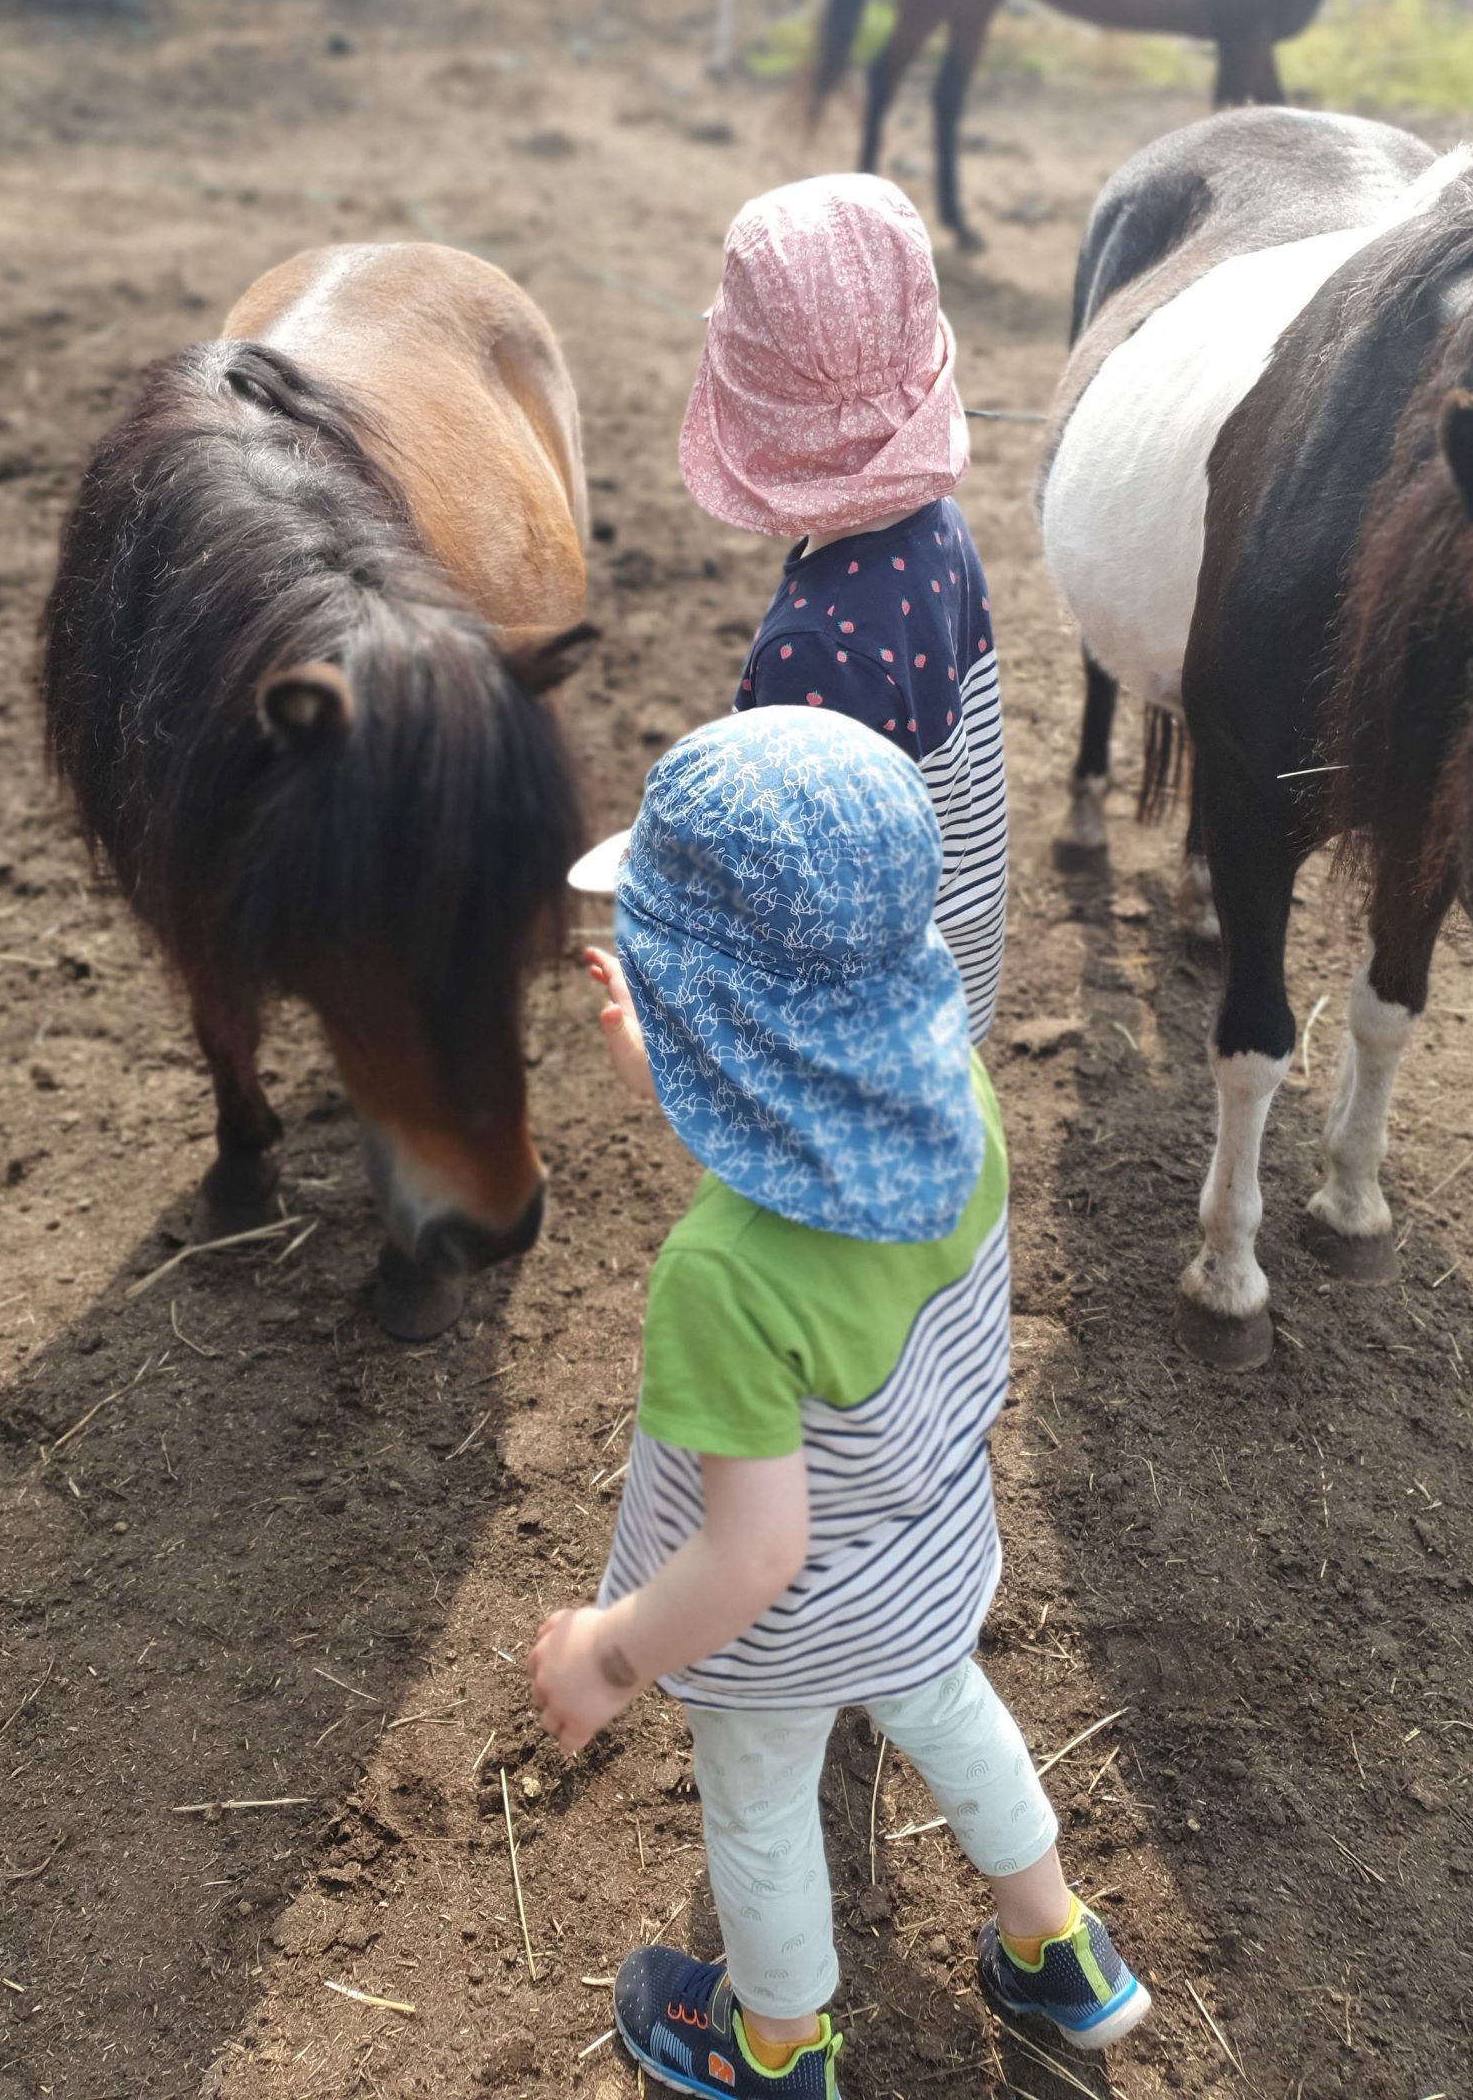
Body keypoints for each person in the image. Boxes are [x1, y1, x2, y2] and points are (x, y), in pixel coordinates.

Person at [532, 709, 1147, 2098]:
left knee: (756, 1816)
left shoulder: (721, 1280)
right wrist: (670, 1068)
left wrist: (613, 1654)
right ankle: (1057, 1947)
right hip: (926, 1556)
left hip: (778, 1637)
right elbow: (802, 1120)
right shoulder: (959, 1100)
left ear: (718, 1013)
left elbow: (752, 1555)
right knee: (955, 1714)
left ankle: (775, 2047)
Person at [685, 172, 1007, 1044]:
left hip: (858, 1049)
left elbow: (803, 906)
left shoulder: (817, 650)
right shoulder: (931, 523)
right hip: (950, 977)